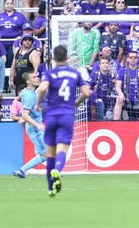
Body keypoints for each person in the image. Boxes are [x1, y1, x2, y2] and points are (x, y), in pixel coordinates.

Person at [36, 45, 90, 197]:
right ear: (67, 58)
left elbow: (42, 89)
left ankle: (50, 188)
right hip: (67, 115)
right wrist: (77, 102)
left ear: (52, 58)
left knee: (50, 152)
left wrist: (38, 103)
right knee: (62, 149)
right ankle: (57, 171)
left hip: (51, 115)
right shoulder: (75, 73)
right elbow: (87, 92)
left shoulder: (50, 73)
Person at [13, 72, 46, 178]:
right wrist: (38, 125)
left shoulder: (26, 92)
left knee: (47, 152)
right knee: (46, 154)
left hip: (34, 126)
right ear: (28, 81)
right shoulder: (29, 95)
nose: (37, 78)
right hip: (34, 128)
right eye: (34, 77)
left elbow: (18, 99)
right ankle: (22, 170)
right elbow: (25, 115)